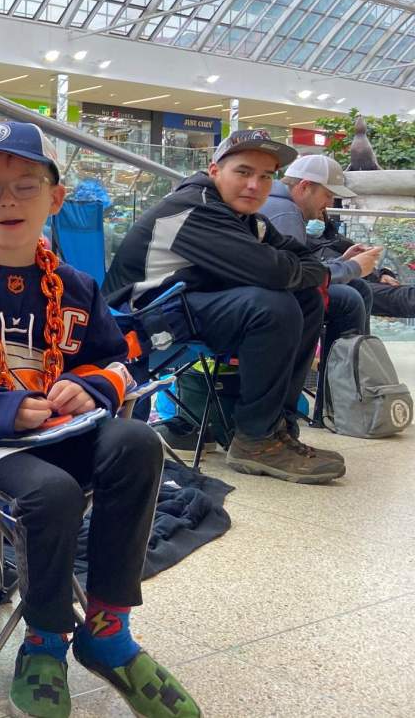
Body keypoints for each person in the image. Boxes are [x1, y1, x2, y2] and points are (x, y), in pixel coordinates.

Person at [0, 122, 200, 718]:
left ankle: (108, 629)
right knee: (54, 495)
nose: (8, 200)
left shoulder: (77, 287)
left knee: (139, 442)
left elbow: (117, 361)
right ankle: (45, 637)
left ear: (55, 199)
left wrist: (89, 386)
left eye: (25, 185)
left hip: (63, 432)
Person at [104, 129, 345, 484]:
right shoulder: (193, 208)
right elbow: (274, 271)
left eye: (266, 176)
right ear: (215, 170)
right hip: (140, 320)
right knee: (271, 306)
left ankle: (275, 426)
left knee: (306, 299)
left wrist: (303, 271)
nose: (255, 185)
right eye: (244, 172)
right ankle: (255, 439)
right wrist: (295, 270)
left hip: (184, 307)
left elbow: (307, 261)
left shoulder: (249, 219)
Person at [258, 154, 382, 343]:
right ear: (305, 187)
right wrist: (352, 267)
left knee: (358, 287)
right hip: (271, 301)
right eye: (328, 195)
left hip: (269, 292)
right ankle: (342, 370)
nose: (330, 204)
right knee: (350, 298)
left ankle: (352, 366)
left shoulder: (281, 205)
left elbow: (300, 267)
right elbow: (297, 277)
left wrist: (343, 261)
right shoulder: (286, 214)